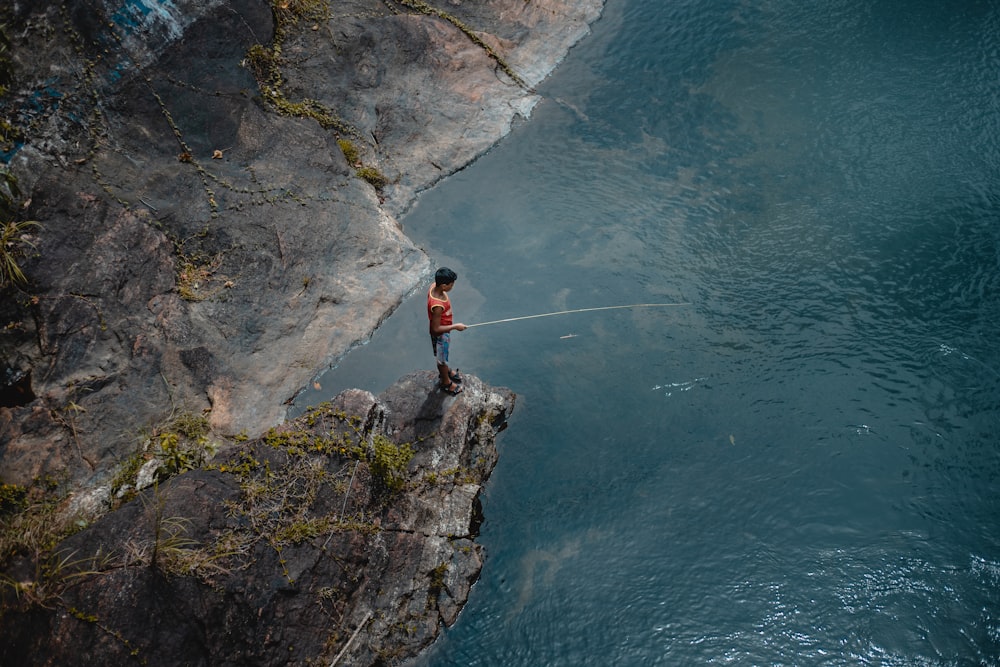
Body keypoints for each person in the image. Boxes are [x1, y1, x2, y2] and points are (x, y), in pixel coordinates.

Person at [427, 267, 467, 395]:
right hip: (440, 335)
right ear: (444, 286)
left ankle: (446, 370)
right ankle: (446, 382)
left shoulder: (434, 285)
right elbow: (435, 328)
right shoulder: (437, 306)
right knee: (441, 360)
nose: (452, 287)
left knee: (442, 358)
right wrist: (455, 327)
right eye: (451, 285)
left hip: (443, 331)